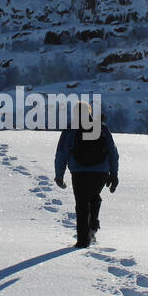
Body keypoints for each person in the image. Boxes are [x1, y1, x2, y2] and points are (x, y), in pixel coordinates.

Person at [54, 102, 119, 248]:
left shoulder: (71, 130)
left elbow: (61, 153)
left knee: (82, 203)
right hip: (101, 172)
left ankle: (83, 240)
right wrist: (114, 174)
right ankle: (93, 228)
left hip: (79, 172)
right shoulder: (101, 127)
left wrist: (59, 175)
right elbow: (113, 152)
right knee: (94, 196)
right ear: (89, 112)